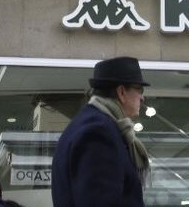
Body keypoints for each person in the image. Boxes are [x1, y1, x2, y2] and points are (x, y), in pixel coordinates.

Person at [51, 56, 151, 207]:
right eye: (139, 90)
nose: (142, 97)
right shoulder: (99, 132)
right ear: (122, 92)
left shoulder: (91, 123)